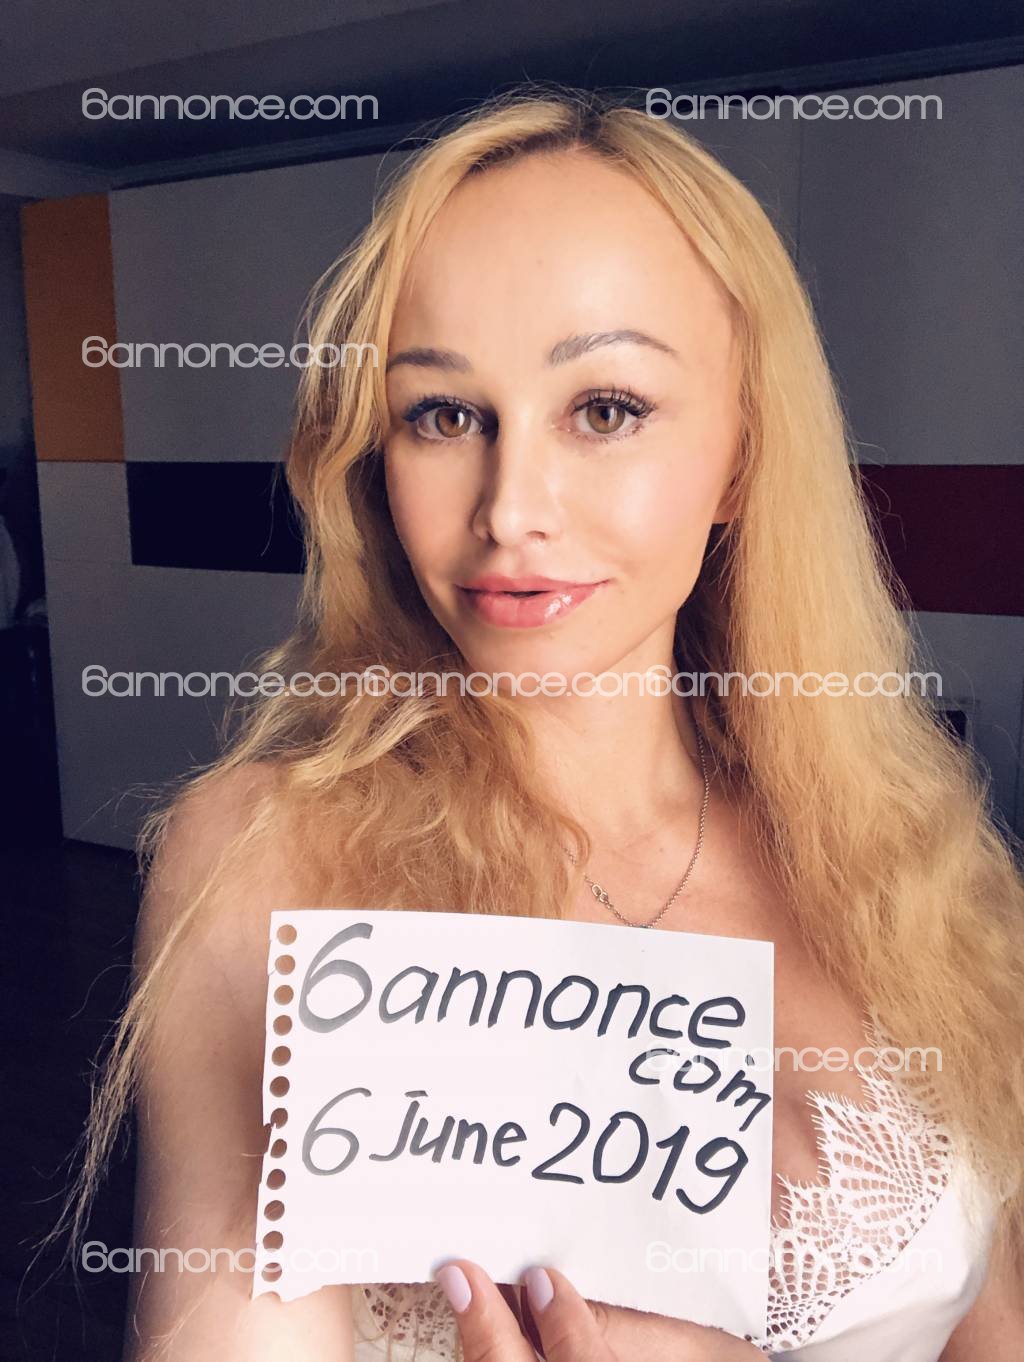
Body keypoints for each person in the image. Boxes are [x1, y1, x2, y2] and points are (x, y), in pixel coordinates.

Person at [53, 88, 1024, 1360]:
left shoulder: (909, 835)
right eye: (443, 415)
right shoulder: (267, 862)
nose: (510, 509)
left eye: (605, 409)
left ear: (740, 454)